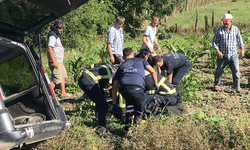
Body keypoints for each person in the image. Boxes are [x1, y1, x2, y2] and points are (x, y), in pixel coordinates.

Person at [112, 47, 159, 124]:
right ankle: (136, 129)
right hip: (137, 88)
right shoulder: (142, 61)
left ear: (123, 58)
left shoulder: (121, 66)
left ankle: (127, 126)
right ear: (133, 56)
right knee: (140, 109)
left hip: (124, 90)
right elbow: (153, 72)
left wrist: (114, 104)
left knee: (131, 104)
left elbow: (114, 87)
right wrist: (156, 85)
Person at [78, 62, 118, 131]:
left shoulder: (107, 67)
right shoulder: (114, 75)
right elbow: (114, 89)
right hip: (89, 81)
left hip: (83, 78)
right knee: (104, 105)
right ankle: (101, 128)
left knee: (100, 99)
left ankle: (97, 119)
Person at [212, 13, 245, 93]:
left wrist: (242, 49)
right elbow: (214, 42)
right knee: (219, 70)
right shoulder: (219, 30)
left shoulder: (236, 29)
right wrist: (218, 51)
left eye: (226, 21)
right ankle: (216, 85)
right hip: (222, 55)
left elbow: (240, 40)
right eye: (223, 21)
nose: (225, 23)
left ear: (231, 21)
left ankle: (237, 87)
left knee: (236, 70)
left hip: (233, 54)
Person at [47, 20, 68, 97]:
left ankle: (63, 93)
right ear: (55, 27)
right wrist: (54, 61)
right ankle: (47, 95)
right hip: (56, 61)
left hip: (59, 61)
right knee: (56, 79)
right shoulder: (52, 36)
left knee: (62, 76)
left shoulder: (56, 35)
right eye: (59, 28)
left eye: (62, 28)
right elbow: (49, 48)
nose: (61, 30)